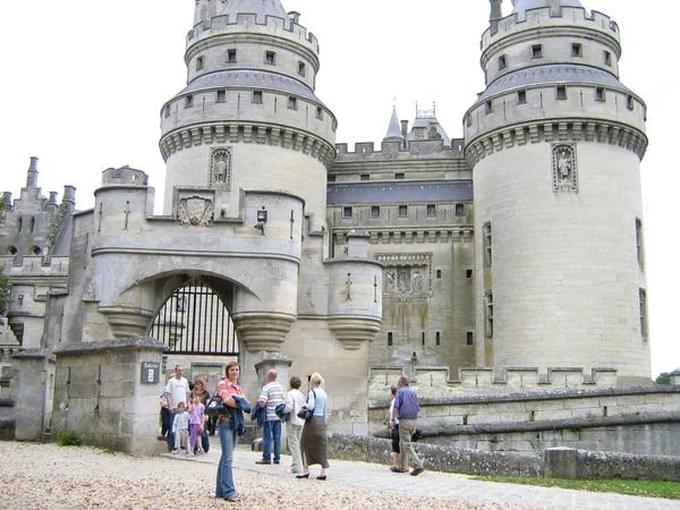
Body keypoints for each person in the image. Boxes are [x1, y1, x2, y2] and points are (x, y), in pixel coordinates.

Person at [215, 360, 246, 502]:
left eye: (237, 370)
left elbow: (246, 404)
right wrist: (240, 403)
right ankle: (229, 492)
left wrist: (240, 402)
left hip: (236, 423)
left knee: (225, 457)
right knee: (228, 458)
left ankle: (220, 490)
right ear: (227, 371)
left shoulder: (238, 388)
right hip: (225, 422)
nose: (235, 372)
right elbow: (227, 400)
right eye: (232, 369)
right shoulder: (223, 384)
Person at [297, 372, 329, 480]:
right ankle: (323, 471)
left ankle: (305, 470)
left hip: (312, 421)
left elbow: (311, 407)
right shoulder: (324, 394)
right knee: (321, 445)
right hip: (321, 420)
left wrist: (304, 404)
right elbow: (325, 409)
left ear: (311, 382)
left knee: (304, 443)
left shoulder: (312, 392)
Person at [391, 375, 424, 476]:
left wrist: (393, 420)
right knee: (402, 443)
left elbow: (396, 407)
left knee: (406, 444)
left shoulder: (400, 392)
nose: (398, 384)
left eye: (398, 382)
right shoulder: (413, 392)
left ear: (401, 383)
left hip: (404, 421)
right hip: (413, 421)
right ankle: (403, 467)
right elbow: (417, 408)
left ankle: (418, 464)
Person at [256, 369, 285, 465]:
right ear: (276, 377)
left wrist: (261, 405)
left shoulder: (266, 388)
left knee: (267, 437)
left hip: (268, 416)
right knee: (277, 437)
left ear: (268, 377)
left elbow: (262, 402)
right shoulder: (281, 388)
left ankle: (266, 457)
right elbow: (283, 401)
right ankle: (277, 458)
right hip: (278, 416)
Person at [164, 365, 190, 451]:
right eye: (179, 370)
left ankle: (182, 445)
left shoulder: (185, 381)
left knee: (183, 428)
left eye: (182, 370)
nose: (180, 372)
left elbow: (187, 392)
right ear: (175, 371)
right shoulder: (171, 381)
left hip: (183, 407)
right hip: (175, 407)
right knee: (173, 427)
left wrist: (187, 403)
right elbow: (167, 393)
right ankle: (172, 446)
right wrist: (170, 405)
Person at [284, 376, 306, 475]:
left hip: (292, 420)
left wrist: (282, 410)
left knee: (293, 444)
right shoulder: (302, 395)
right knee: (297, 443)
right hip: (301, 421)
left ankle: (297, 466)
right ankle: (295, 464)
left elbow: (289, 407)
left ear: (290, 384)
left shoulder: (290, 394)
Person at [193, 378, 212, 453]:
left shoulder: (206, 393)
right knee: (194, 431)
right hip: (194, 414)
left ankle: (205, 446)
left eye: (199, 384)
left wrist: (207, 414)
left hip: (203, 413)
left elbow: (208, 404)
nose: (197, 386)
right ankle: (194, 447)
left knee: (203, 430)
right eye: (196, 384)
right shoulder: (193, 393)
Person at [388, 384, 401, 469]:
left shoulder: (394, 402)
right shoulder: (399, 401)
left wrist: (392, 425)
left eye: (389, 392)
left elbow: (393, 415)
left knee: (396, 445)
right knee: (398, 444)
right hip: (399, 424)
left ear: (392, 393)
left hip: (396, 425)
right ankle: (398, 464)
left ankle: (396, 464)